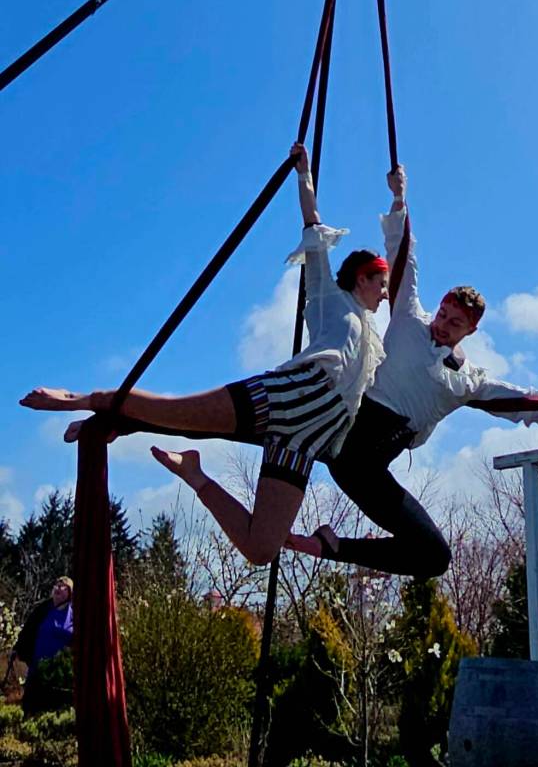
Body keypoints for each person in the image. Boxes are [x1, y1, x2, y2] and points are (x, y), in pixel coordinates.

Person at [20, 144, 388, 566]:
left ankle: (194, 474)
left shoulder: (372, 334)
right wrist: (303, 175)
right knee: (182, 413)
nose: (383, 294)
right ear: (362, 277)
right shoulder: (330, 297)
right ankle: (86, 399)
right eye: (380, 284)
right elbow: (313, 226)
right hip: (294, 396)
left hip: (308, 439)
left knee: (261, 549)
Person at [288, 164, 538, 576]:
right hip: (346, 437)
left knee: (434, 557)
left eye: (454, 323)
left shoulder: (469, 382)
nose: (442, 325)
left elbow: (522, 401)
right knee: (282, 418)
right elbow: (404, 254)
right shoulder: (409, 318)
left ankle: (332, 546)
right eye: (443, 314)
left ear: (472, 330)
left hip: (367, 471)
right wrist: (398, 198)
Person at [13, 577, 74, 714]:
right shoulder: (42, 609)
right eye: (56, 585)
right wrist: (18, 649)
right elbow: (28, 630)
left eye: (63, 586)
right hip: (37, 668)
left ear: (70, 593)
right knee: (31, 709)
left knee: (56, 710)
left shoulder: (74, 615)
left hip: (60, 674)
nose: (58, 588)